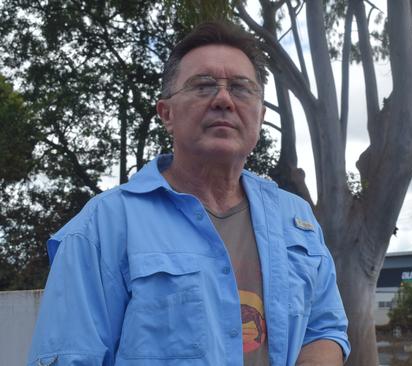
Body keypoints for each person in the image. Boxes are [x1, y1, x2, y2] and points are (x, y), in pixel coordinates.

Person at [28, 21, 350, 366]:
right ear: (166, 113)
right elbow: (70, 357)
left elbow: (324, 329)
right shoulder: (101, 227)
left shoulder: (296, 219)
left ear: (260, 115)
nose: (224, 100)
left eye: (241, 88)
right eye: (203, 86)